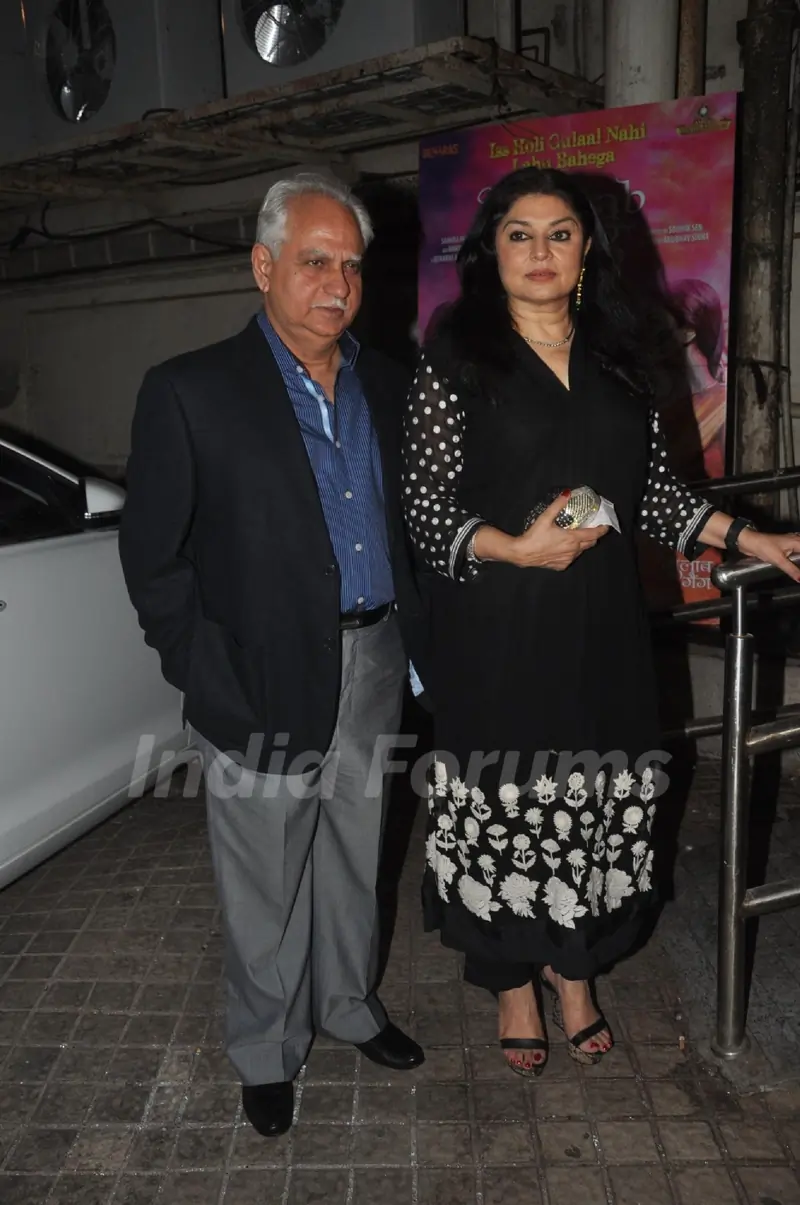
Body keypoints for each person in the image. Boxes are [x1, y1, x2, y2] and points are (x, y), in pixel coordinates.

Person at [401, 166, 800, 1077]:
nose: (540, 251)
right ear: (490, 250)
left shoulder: (622, 360)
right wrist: (511, 548)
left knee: (593, 802)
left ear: (586, 252)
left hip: (604, 631)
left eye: (560, 234)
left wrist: (753, 535)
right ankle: (511, 980)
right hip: (496, 630)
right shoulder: (457, 355)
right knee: (508, 804)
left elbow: (656, 496)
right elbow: (423, 502)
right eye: (519, 233)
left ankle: (575, 971)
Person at [119, 172, 429, 1137]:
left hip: (373, 659)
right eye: (313, 261)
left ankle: (345, 1005)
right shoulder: (190, 390)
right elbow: (153, 559)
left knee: (353, 852)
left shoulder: (388, 378)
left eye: (349, 264)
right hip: (257, 675)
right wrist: (205, 673)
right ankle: (265, 1045)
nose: (336, 282)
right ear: (263, 267)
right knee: (264, 877)